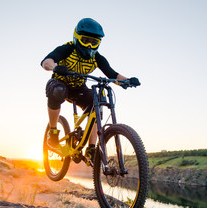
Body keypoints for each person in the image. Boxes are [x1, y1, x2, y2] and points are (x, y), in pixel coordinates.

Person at [41, 18, 139, 158]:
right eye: (85, 40)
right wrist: (56, 67)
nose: (89, 45)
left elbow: (112, 74)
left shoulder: (97, 58)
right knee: (58, 91)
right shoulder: (67, 49)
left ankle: (91, 148)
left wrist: (127, 81)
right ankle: (53, 132)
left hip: (78, 88)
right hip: (60, 83)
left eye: (94, 42)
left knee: (97, 103)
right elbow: (46, 62)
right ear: (77, 38)